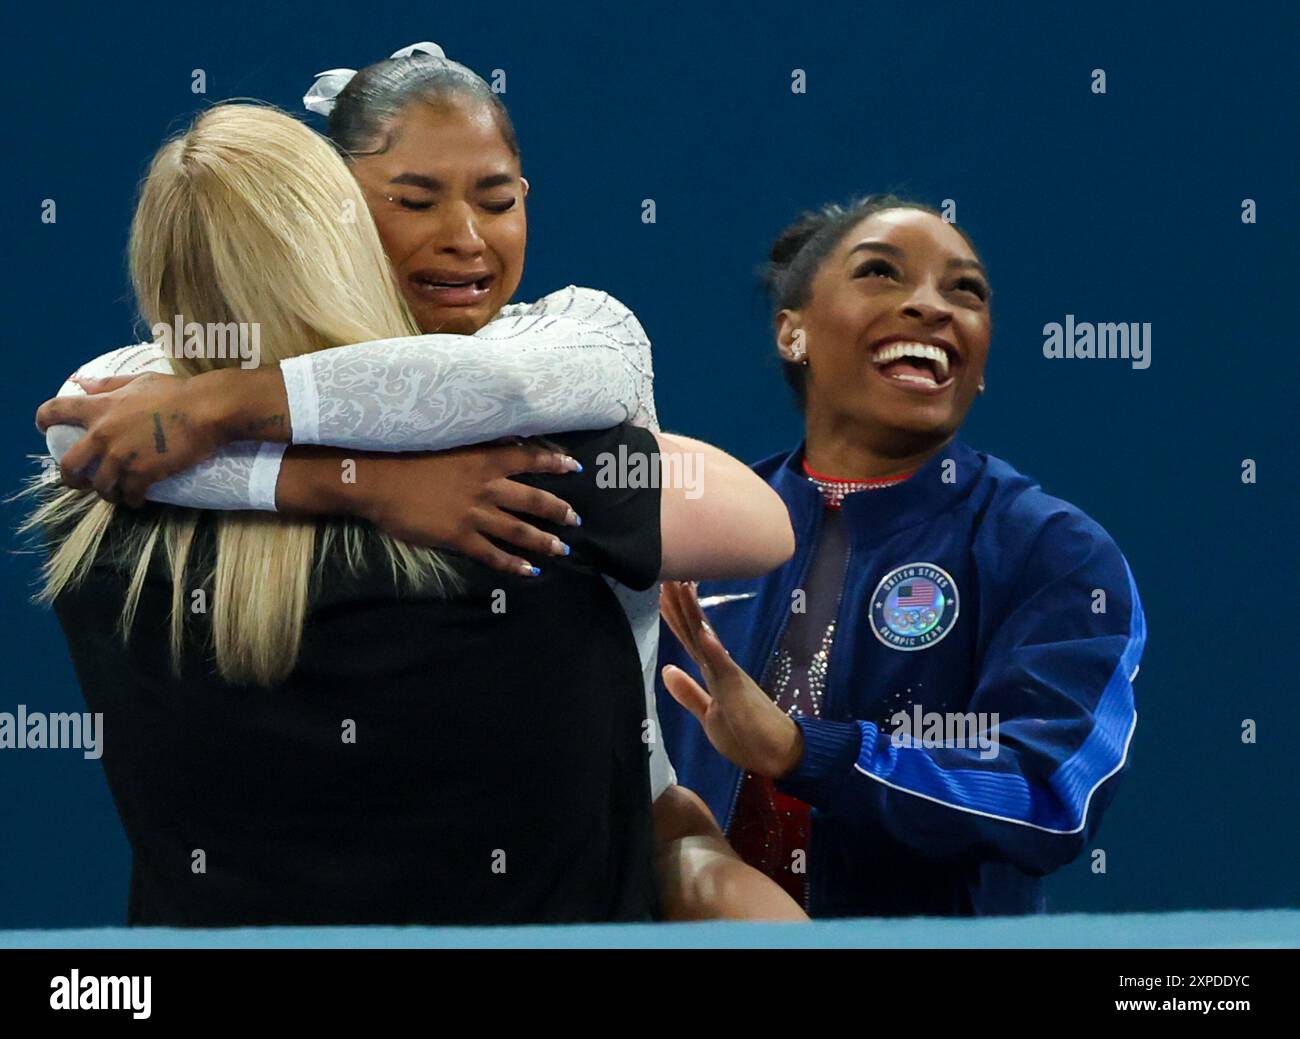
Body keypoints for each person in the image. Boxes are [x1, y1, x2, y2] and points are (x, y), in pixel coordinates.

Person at [37, 45, 808, 921]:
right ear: (335, 225)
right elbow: (760, 522)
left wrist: (232, 411)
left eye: (498, 197)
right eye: (412, 199)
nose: (465, 236)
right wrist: (364, 486)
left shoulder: (125, 473)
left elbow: (74, 428)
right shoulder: (526, 476)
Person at [656, 196, 1148, 918]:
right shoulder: (692, 529)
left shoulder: (1054, 551)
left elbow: (1050, 794)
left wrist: (808, 752)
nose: (931, 307)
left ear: (978, 363)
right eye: (881, 274)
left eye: (965, 291)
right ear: (793, 332)